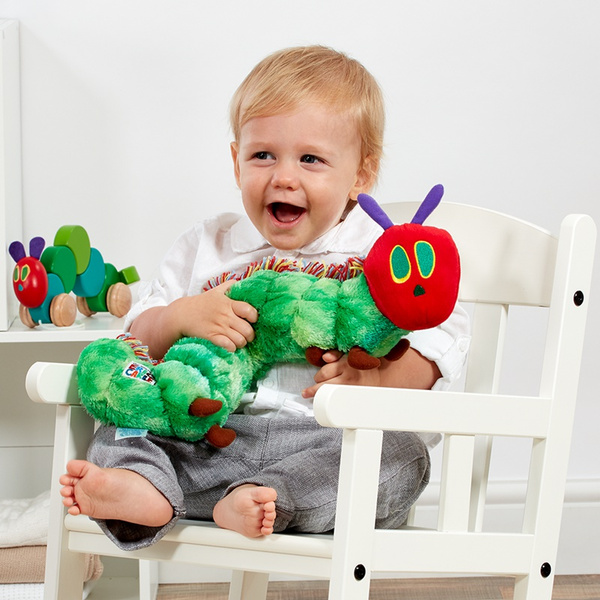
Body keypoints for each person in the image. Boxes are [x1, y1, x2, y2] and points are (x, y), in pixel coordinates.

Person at [59, 45, 470, 550]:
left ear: (362, 174)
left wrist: (377, 375)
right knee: (123, 425)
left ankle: (265, 498)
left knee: (402, 456)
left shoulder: (383, 252)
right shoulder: (206, 246)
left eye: (311, 159)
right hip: (207, 438)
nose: (283, 177)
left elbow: (438, 343)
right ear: (236, 162)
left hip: (323, 445)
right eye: (262, 155)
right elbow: (133, 342)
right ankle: (143, 488)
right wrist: (179, 317)